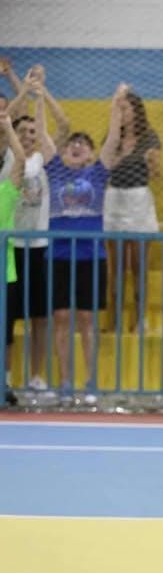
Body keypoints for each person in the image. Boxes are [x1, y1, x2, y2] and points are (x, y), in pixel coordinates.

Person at [40, 85, 125, 394]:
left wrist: (116, 105)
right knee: (61, 317)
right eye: (72, 143)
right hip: (60, 256)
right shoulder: (56, 172)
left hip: (92, 256)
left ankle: (91, 382)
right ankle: (64, 381)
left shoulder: (98, 174)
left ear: (91, 154)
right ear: (64, 152)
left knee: (87, 318)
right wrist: (39, 98)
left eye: (83, 144)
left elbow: (114, 139)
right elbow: (42, 136)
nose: (77, 146)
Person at [103, 88, 161, 332]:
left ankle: (139, 320)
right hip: (115, 198)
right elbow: (104, 166)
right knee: (116, 268)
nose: (123, 112)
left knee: (138, 267)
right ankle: (113, 322)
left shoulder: (150, 137)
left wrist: (152, 163)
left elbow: (156, 174)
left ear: (137, 111)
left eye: (126, 108)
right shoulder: (112, 137)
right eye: (120, 108)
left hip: (138, 200)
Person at [8, 100, 53, 392]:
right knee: (8, 316)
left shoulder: (41, 161)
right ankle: (7, 377)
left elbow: (57, 130)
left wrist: (39, 95)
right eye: (22, 131)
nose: (28, 136)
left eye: (32, 132)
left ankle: (37, 377)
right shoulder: (7, 162)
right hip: (10, 248)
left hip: (38, 247)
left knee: (39, 317)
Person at [1, 113, 26, 406]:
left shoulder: (6, 191)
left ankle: (3, 382)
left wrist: (8, 127)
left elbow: (20, 160)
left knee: (5, 334)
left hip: (4, 274)